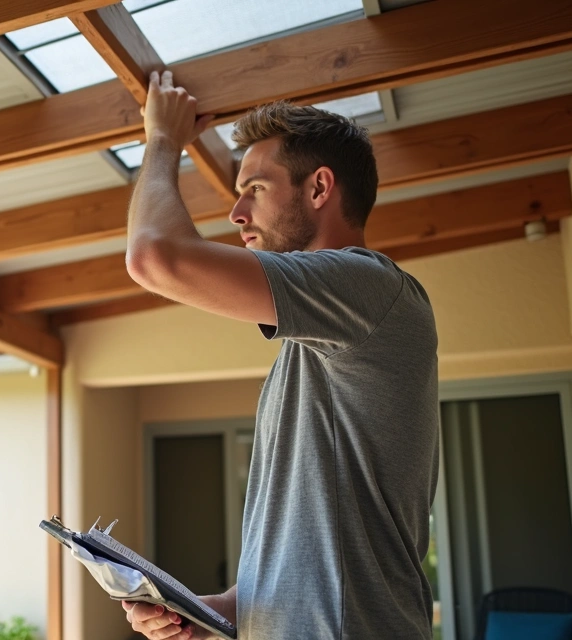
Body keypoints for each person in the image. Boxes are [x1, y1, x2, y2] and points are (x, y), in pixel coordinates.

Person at [120, 70, 440, 639]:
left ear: (319, 188)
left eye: (256, 190)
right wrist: (209, 611)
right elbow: (293, 572)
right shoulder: (307, 353)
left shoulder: (369, 288)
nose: (236, 213)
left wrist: (164, 142)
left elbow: (153, 258)